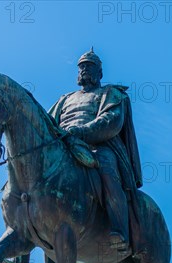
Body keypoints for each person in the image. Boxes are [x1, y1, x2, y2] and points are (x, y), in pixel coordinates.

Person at [49, 48, 142, 252]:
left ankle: (120, 230)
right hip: (64, 146)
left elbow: (110, 122)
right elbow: (47, 124)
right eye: (81, 67)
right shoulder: (65, 99)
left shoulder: (111, 93)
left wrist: (80, 132)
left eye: (89, 67)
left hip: (98, 146)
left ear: (100, 73)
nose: (84, 70)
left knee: (107, 168)